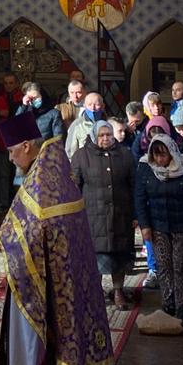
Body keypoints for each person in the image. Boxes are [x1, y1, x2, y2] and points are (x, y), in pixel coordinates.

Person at [0, 111, 119, 365]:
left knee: (37, 349)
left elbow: (32, 233)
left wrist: (5, 237)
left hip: (44, 288)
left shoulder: (41, 183)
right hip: (66, 282)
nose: (11, 159)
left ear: (27, 146)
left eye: (12, 151)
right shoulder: (53, 173)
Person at [134, 128, 183, 331]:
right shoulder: (146, 168)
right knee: (164, 266)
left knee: (181, 267)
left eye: (163, 154)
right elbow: (140, 198)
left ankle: (182, 307)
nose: (160, 159)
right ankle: (168, 304)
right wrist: (145, 226)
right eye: (156, 155)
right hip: (158, 226)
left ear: (172, 152)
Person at [72, 116, 137, 310]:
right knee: (95, 256)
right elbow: (74, 186)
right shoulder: (81, 156)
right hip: (93, 216)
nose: (106, 138)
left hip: (120, 214)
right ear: (94, 136)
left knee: (120, 255)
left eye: (109, 134)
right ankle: (95, 292)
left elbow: (134, 185)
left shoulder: (125, 154)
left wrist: (135, 214)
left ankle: (118, 291)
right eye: (101, 135)